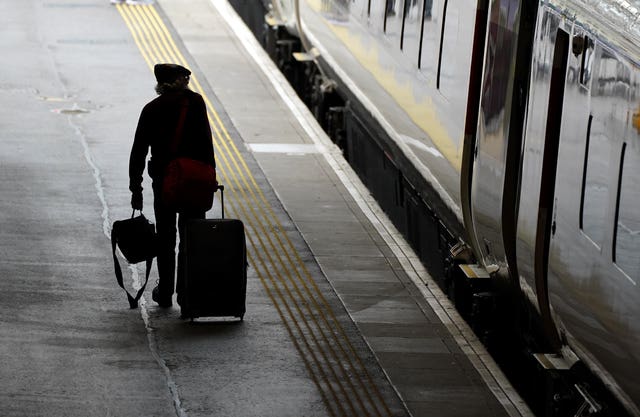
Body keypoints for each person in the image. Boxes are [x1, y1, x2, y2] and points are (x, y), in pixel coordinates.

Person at [129, 63, 216, 308]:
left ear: (160, 85)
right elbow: (206, 144)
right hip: (193, 182)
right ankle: (187, 294)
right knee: (190, 236)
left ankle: (165, 292)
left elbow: (138, 152)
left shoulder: (151, 109)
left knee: (165, 237)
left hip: (164, 183)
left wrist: (136, 189)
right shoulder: (196, 103)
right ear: (183, 81)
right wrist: (210, 177)